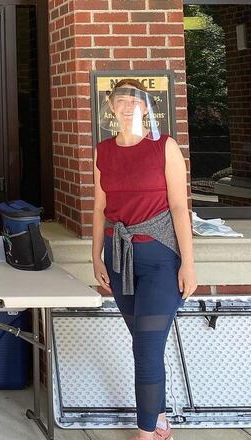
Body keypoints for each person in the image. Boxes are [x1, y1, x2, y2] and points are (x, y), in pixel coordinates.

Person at [92, 79, 197, 440]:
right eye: (120, 100)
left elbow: (180, 207)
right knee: (144, 344)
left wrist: (189, 263)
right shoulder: (103, 151)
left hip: (159, 257)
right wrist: (96, 256)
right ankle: (160, 416)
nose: (127, 106)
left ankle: (146, 432)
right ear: (111, 108)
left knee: (147, 347)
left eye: (134, 101)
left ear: (146, 106)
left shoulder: (163, 147)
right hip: (119, 257)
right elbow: (100, 207)